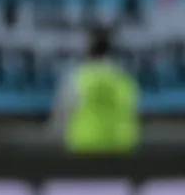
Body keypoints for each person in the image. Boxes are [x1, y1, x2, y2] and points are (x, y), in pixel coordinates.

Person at [52, 26, 140, 154]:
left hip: (84, 148)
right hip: (120, 149)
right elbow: (133, 112)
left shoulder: (78, 78)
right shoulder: (124, 79)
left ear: (88, 50)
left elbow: (61, 117)